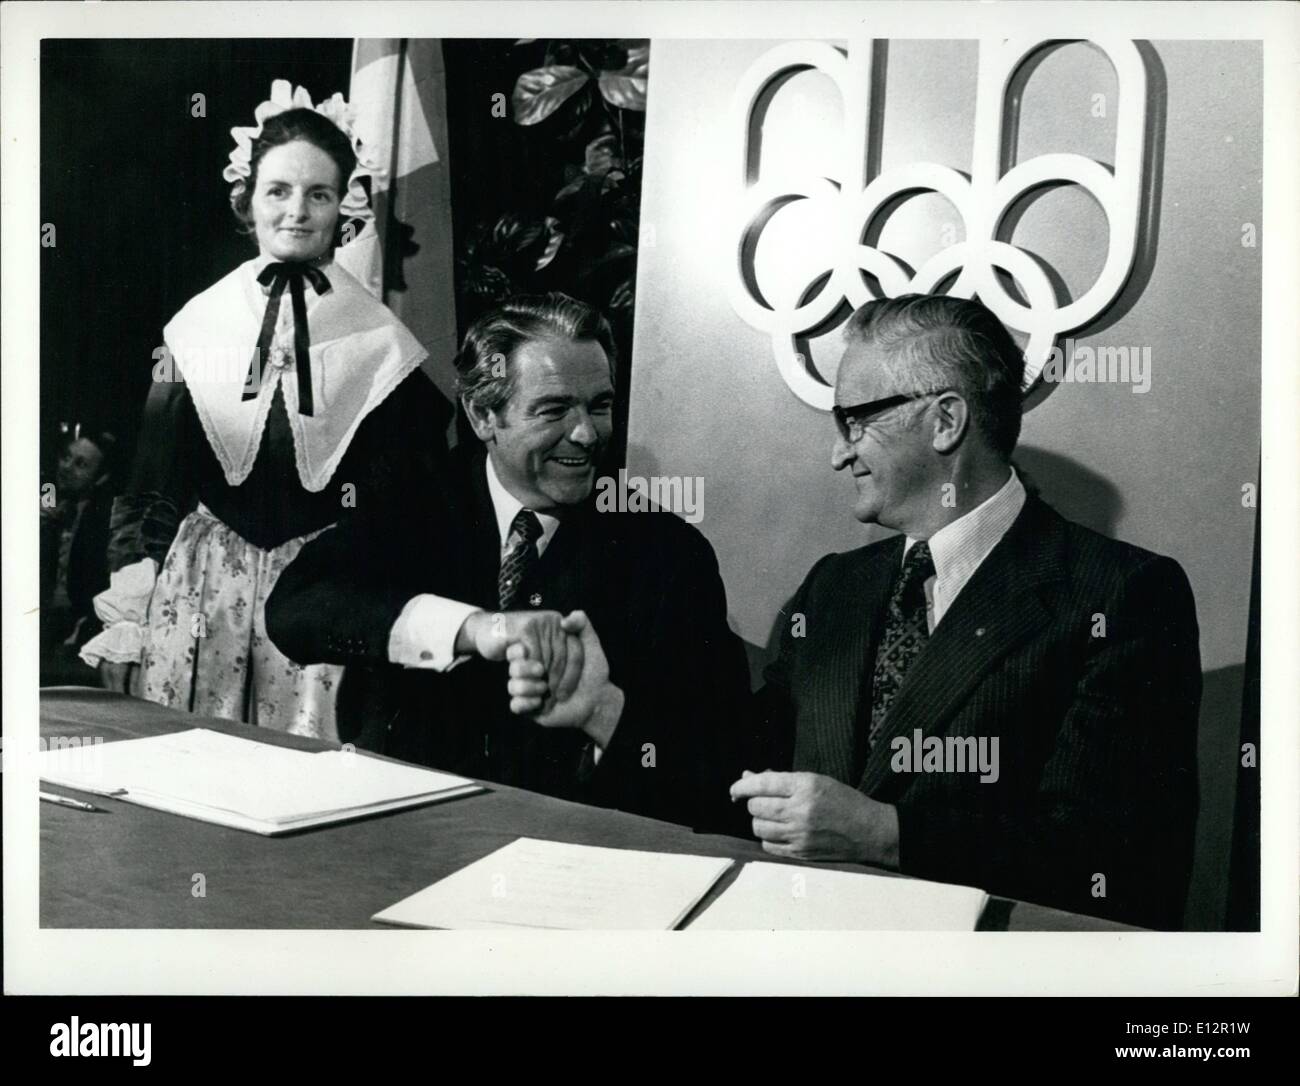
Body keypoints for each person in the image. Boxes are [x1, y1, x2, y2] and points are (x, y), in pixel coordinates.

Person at [520, 294, 1202, 929]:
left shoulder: (1124, 596)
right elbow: (741, 781)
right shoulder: (835, 589)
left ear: (945, 421)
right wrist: (604, 711)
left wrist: (884, 833)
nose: (838, 451)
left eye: (855, 421)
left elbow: (1112, 861)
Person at [266, 293, 751, 832]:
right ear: (482, 415)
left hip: (572, 854)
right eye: (554, 410)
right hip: (404, 832)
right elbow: (295, 610)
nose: (587, 434)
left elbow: (715, 762)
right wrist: (476, 629)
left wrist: (603, 714)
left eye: (599, 405)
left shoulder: (668, 553)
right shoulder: (411, 501)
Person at [80, 82, 449, 740]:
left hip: (320, 599)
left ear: (346, 206)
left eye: (319, 194)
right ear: (247, 199)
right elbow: (150, 486)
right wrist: (130, 612)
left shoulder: (383, 344)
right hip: (198, 595)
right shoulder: (198, 325)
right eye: (278, 190)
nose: (298, 212)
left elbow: (407, 517)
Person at [40, 428, 118, 682]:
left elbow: (99, 590)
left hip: (73, 623)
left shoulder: (103, 519)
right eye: (66, 457)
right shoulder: (42, 493)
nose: (66, 467)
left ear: (100, 477)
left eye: (81, 464)